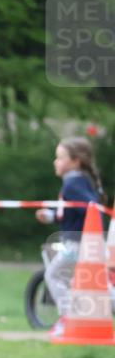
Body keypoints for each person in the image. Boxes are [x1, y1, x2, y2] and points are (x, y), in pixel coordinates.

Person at [35, 136, 105, 335]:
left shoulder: (73, 184)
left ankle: (68, 320)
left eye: (60, 158)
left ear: (76, 161)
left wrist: (92, 238)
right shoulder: (77, 182)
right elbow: (72, 213)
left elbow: (92, 209)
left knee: (55, 274)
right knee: (96, 285)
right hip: (85, 242)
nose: (55, 162)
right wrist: (49, 215)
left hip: (77, 244)